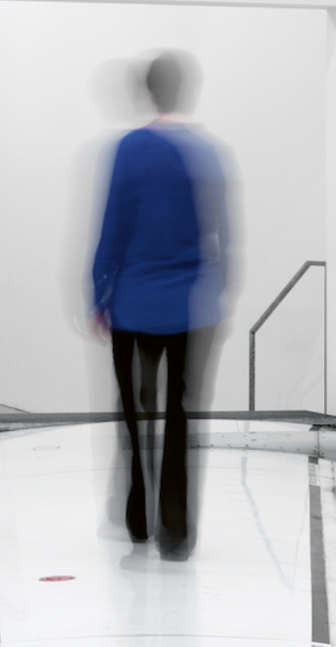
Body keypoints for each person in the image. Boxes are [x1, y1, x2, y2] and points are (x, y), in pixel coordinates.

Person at [92, 50, 233, 557]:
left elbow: (112, 227)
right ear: (183, 91)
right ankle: (176, 530)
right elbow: (224, 232)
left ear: (148, 92)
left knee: (136, 413)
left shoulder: (129, 149)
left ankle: (138, 517)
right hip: (192, 309)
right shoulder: (207, 152)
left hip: (133, 305)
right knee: (181, 415)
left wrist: (97, 294)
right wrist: (219, 292)